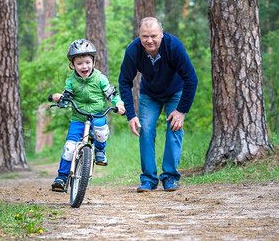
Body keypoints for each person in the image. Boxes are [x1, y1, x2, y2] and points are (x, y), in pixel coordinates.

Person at [118, 17, 198, 192]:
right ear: (139, 35)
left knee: (174, 128)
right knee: (145, 130)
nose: (149, 40)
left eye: (154, 35)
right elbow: (124, 82)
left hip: (175, 91)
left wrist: (181, 111)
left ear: (162, 34)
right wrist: (131, 115)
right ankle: (148, 179)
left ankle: (170, 177)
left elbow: (191, 79)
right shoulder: (134, 50)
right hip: (149, 95)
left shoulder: (173, 46)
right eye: (145, 36)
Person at [51, 39, 126, 191]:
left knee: (101, 132)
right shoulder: (71, 81)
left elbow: (111, 93)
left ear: (93, 61)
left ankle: (99, 150)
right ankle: (62, 177)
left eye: (87, 62)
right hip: (78, 118)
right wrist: (61, 98)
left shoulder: (100, 78)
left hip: (98, 115)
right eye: (79, 64)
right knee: (69, 148)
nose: (84, 66)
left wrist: (118, 104)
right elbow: (68, 96)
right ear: (72, 65)